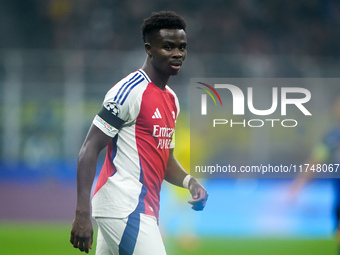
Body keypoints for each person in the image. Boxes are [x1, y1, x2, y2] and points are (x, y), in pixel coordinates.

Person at [70, 11, 208, 255]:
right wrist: (82, 213)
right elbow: (89, 148)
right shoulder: (129, 91)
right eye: (168, 47)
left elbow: (164, 159)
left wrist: (190, 182)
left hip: (143, 209)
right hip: (124, 207)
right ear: (149, 49)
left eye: (182, 47)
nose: (177, 54)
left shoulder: (172, 101)